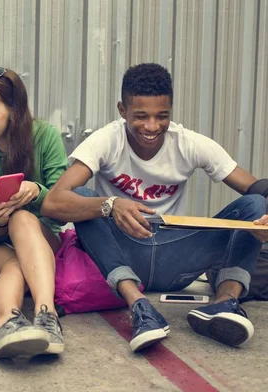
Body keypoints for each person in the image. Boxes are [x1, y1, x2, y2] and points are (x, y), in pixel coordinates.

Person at [41, 63, 268, 352]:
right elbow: (53, 201)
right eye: (141, 116)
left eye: (162, 116)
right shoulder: (105, 140)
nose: (152, 126)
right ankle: (140, 307)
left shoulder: (189, 143)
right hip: (123, 252)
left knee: (254, 205)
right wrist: (110, 204)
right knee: (85, 197)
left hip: (177, 254)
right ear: (122, 111)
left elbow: (255, 188)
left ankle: (224, 304)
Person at [0, 65, 68, 358]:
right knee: (15, 263)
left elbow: (62, 213)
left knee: (22, 218)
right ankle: (7, 322)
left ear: (14, 110)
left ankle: (46, 317)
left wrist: (37, 192)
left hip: (44, 239)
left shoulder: (45, 136)